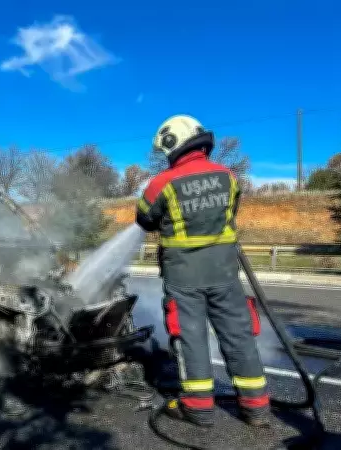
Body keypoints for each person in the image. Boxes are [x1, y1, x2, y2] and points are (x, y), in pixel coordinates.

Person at [136, 114, 270, 428]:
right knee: (238, 335)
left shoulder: (162, 183)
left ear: (173, 143)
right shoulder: (228, 176)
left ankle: (198, 407)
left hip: (184, 276)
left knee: (190, 337)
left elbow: (144, 218)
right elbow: (229, 213)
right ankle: (257, 408)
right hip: (225, 272)